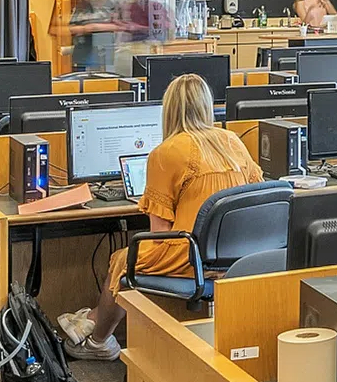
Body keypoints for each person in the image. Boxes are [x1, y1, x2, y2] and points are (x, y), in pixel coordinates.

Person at [60, 73, 259, 358]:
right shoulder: (232, 142)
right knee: (131, 256)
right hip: (240, 254)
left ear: (169, 110)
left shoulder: (166, 152)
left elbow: (158, 232)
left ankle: (97, 339)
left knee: (122, 259)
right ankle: (90, 322)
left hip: (194, 256)